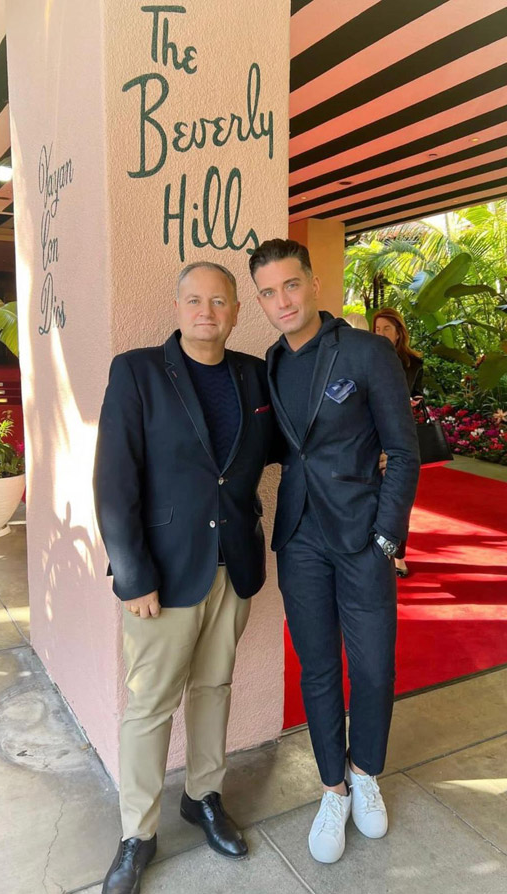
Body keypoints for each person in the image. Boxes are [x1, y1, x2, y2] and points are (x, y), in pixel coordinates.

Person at [93, 262, 276, 894]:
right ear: (177, 307)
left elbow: (284, 445)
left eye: (219, 301)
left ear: (235, 311)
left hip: (234, 565)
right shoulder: (137, 371)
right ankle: (136, 834)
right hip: (163, 576)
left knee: (214, 687)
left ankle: (203, 797)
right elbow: (114, 480)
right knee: (150, 704)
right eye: (194, 300)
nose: (206, 312)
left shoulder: (254, 373)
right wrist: (132, 575)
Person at [249, 239, 420, 865]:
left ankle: (366, 771)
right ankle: (333, 788)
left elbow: (403, 452)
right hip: (299, 538)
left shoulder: (367, 352)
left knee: (373, 667)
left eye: (290, 285)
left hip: (362, 537)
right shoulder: (270, 364)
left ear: (313, 283)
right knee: (317, 668)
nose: (282, 301)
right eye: (268, 292)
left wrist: (386, 538)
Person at [373, 307, 423, 578]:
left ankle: (399, 555)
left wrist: (415, 401)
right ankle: (378, 547)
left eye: (386, 329)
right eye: (377, 329)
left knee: (400, 494)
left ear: (398, 333)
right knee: (377, 493)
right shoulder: (368, 356)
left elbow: (418, 392)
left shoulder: (412, 362)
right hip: (373, 434)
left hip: (400, 436)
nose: (381, 333)